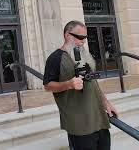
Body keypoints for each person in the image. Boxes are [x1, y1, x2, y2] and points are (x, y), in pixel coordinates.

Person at [43, 20, 118, 150]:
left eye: (85, 38)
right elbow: (47, 85)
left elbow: (93, 83)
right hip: (79, 125)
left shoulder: (84, 54)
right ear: (67, 35)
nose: (83, 41)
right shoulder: (55, 58)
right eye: (80, 37)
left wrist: (106, 103)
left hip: (99, 120)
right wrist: (69, 84)